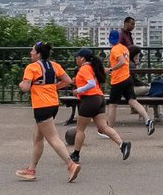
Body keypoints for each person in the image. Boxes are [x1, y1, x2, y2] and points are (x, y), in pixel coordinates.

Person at [16, 42, 81, 182]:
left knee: (52, 138)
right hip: (53, 104)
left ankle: (71, 164)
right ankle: (31, 169)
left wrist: (21, 84)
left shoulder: (32, 67)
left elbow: (25, 88)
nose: (31, 53)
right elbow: (68, 80)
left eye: (32, 51)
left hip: (41, 106)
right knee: (38, 138)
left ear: (39, 54)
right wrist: (55, 87)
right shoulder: (54, 65)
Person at [69, 47, 131, 166]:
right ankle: (123, 144)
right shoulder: (93, 68)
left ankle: (75, 154)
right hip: (100, 99)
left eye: (77, 57)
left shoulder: (84, 68)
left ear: (82, 59)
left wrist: (78, 90)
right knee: (103, 127)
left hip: (89, 99)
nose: (76, 59)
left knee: (80, 129)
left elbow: (91, 84)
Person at [105, 31, 155, 134]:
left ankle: (109, 129)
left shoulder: (115, 49)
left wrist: (110, 69)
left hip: (118, 80)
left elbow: (122, 62)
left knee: (112, 105)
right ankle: (147, 120)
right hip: (127, 78)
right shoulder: (124, 48)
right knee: (133, 101)